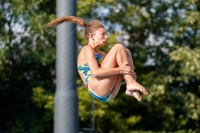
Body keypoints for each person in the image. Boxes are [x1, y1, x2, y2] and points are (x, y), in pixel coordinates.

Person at [45, 16, 148, 102]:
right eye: (103, 34)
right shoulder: (87, 49)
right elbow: (96, 73)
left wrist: (124, 77)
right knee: (118, 47)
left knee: (126, 52)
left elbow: (111, 75)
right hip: (96, 87)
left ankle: (130, 84)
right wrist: (122, 70)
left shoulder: (102, 54)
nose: (106, 37)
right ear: (92, 36)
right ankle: (131, 84)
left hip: (108, 92)